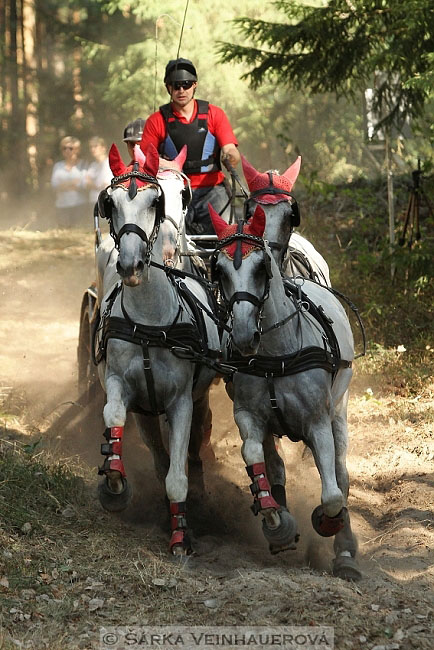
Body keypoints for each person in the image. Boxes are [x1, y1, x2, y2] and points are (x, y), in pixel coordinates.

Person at [140, 58, 240, 235]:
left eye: (186, 84)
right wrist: (165, 165)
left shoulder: (214, 114)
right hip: (174, 192)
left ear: (195, 85)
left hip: (213, 191)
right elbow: (143, 159)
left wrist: (230, 155)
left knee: (229, 234)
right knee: (168, 238)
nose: (181, 90)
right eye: (176, 85)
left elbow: (230, 148)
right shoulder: (156, 121)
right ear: (168, 87)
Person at [50, 136, 87, 228]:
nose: (67, 150)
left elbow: (83, 184)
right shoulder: (58, 166)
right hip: (62, 206)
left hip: (79, 206)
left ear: (77, 150)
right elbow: (55, 186)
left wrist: (64, 184)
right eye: (64, 148)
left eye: (70, 148)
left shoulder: (83, 165)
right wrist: (72, 183)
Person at [86, 136, 112, 205]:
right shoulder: (93, 165)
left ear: (103, 148)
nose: (92, 149)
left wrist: (94, 185)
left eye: (95, 146)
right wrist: (97, 186)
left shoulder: (109, 163)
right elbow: (87, 184)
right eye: (91, 147)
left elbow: (106, 186)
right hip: (93, 201)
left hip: (106, 200)